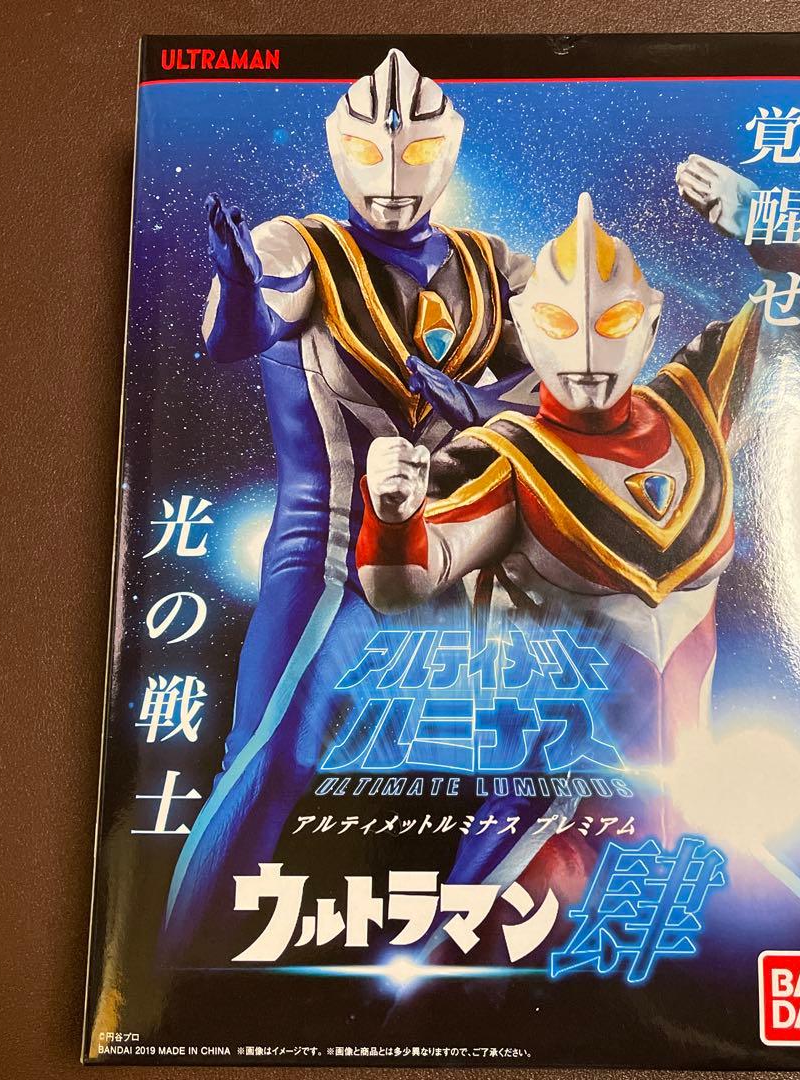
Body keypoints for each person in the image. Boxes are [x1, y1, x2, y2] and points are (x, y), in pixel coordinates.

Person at [355, 167, 800, 914]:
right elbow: (402, 585)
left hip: (699, 809)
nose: (585, 352)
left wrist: (756, 219)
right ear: (526, 325)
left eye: (611, 325)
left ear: (649, 321)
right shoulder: (508, 456)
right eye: (560, 325)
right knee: (462, 964)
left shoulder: (695, 403)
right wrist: (393, 512)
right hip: (551, 825)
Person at [162, 48, 535, 959]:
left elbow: (576, 384)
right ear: (342, 150)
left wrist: (481, 406)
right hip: (329, 546)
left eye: (416, 155)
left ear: (446, 152)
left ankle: (438, 974)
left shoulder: (494, 268)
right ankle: (179, 977)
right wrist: (239, 282)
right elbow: (239, 329)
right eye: (372, 155)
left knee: (541, 764)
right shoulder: (303, 247)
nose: (394, 180)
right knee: (272, 754)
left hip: (452, 548)